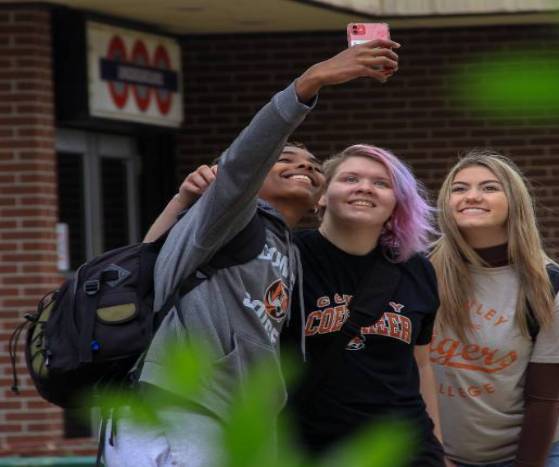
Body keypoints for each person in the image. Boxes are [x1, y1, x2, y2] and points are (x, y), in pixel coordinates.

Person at [103, 39, 401, 467]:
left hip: (232, 418)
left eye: (315, 165)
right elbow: (245, 158)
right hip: (179, 405)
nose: (305, 166)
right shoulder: (232, 215)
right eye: (285, 157)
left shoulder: (288, 247)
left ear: (319, 201)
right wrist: (310, 82)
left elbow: (156, 260)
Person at [429, 148, 559, 467]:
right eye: (459, 188)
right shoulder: (420, 274)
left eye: (490, 187)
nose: (472, 196)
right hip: (445, 452)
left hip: (548, 445)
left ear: (515, 202)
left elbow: (543, 401)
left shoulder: (556, 290)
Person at [285, 144, 446, 466]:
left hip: (406, 449)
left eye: (381, 183)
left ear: (396, 203)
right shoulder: (287, 258)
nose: (364, 188)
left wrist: (438, 446)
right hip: (313, 448)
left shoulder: (416, 268)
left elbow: (422, 363)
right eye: (350, 178)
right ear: (321, 195)